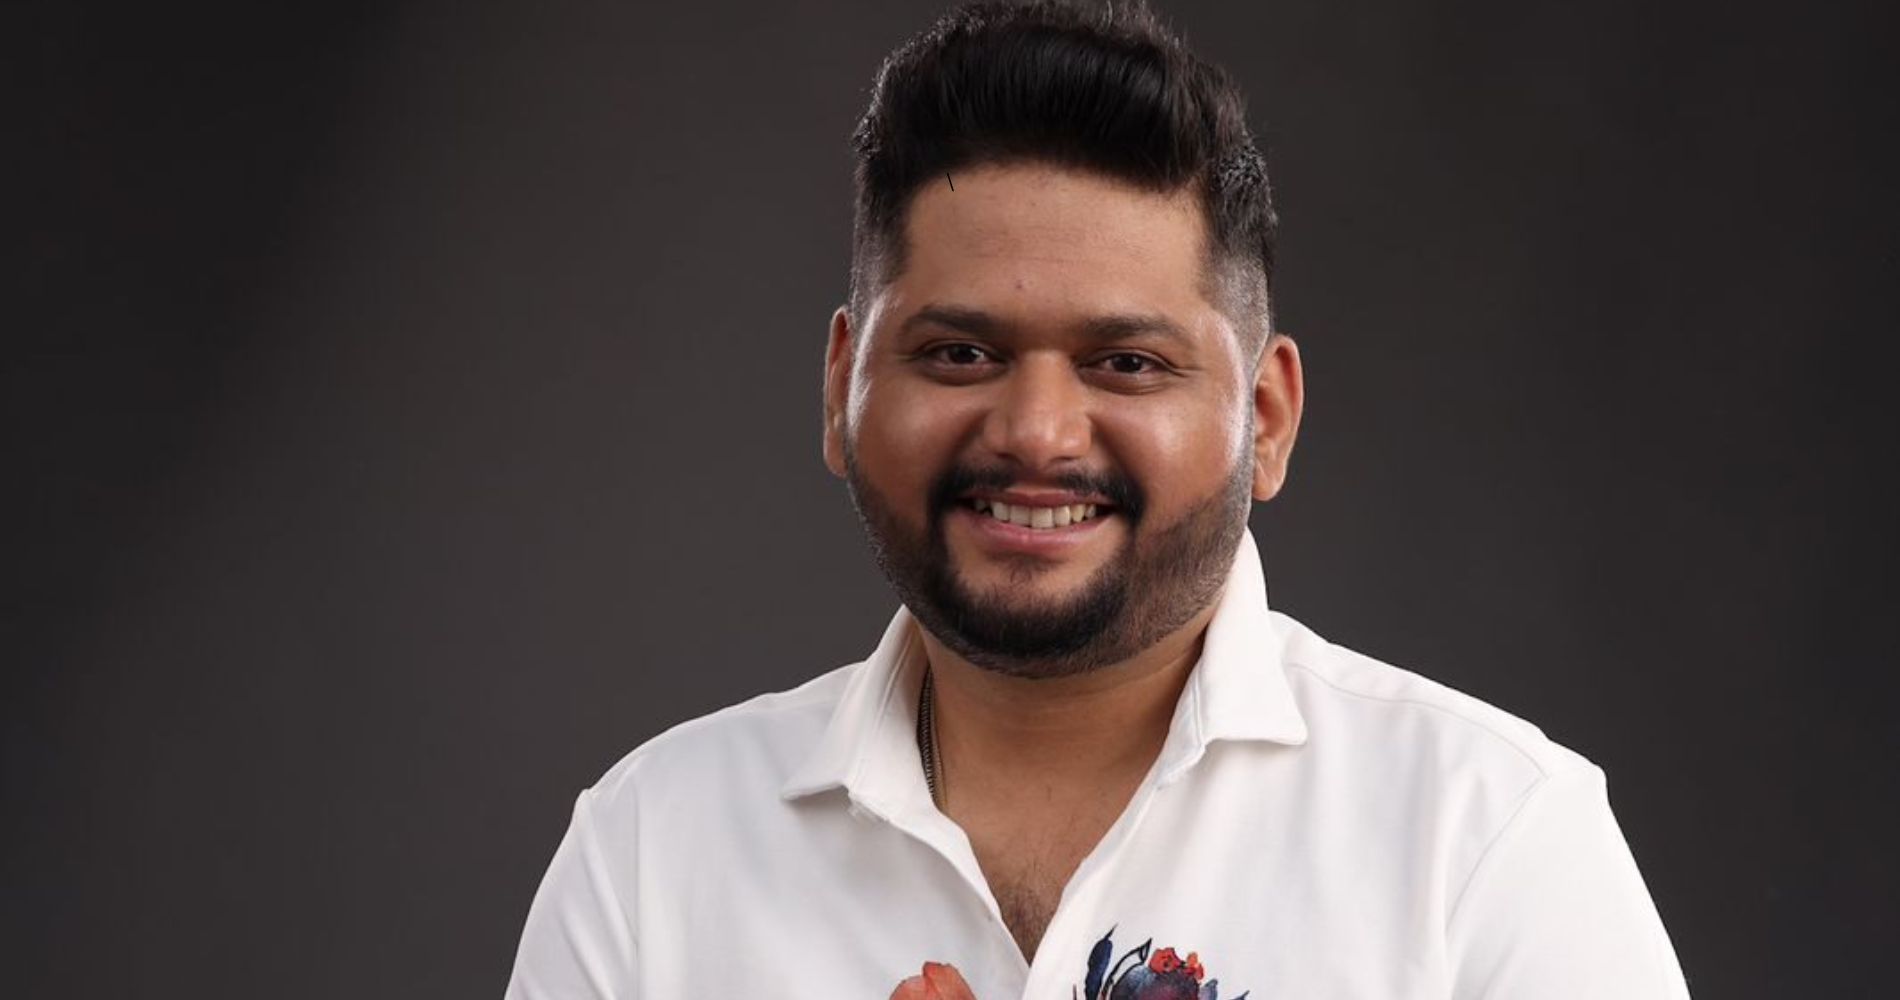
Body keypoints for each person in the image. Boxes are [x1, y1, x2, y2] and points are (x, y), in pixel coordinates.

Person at [503, 2, 1690, 997]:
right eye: (959, 353)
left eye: (1126, 362)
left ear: (1266, 417)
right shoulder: (652, 852)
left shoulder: (1486, 838)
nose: (1035, 432)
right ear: (840, 387)